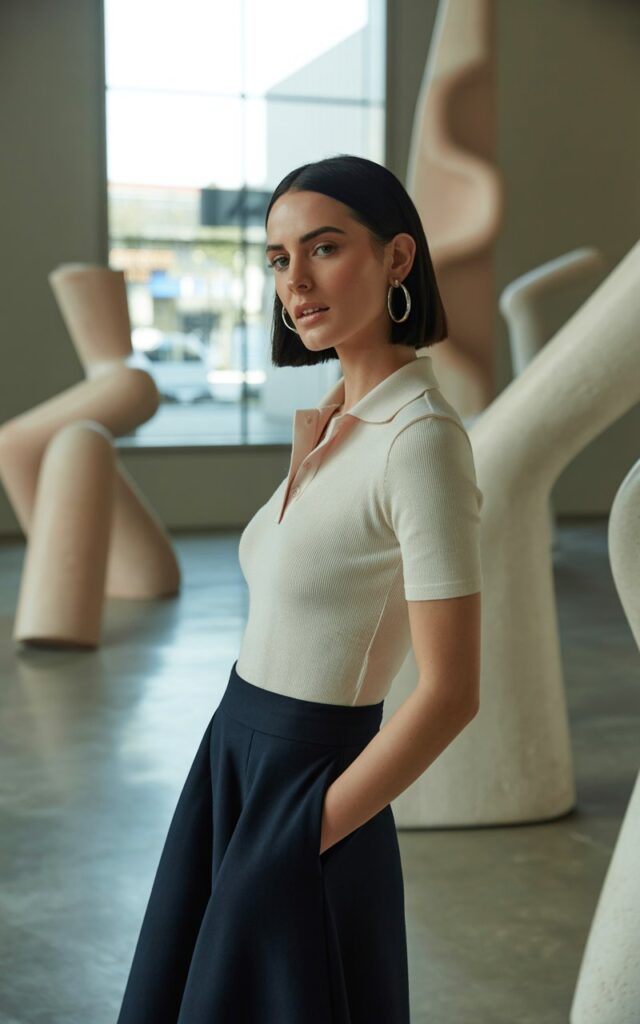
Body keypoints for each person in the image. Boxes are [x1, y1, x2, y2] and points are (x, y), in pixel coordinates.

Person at [116, 154, 483, 1023]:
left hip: (308, 786)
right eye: (279, 258)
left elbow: (452, 693)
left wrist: (305, 830)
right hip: (232, 762)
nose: (296, 281)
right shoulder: (330, 424)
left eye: (324, 249)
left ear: (397, 259)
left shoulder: (419, 441)